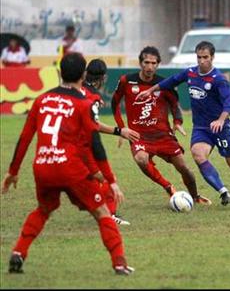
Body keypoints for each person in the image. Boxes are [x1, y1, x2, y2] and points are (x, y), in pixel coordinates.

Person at [1, 52, 134, 275]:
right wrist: (111, 180)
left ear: (60, 73)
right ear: (83, 75)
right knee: (102, 212)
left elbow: (25, 137)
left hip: (43, 167)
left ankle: (18, 252)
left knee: (43, 210)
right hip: (71, 169)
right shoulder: (82, 103)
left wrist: (12, 172)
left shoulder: (41, 100)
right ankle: (119, 263)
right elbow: (94, 143)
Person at [137, 41, 230, 206]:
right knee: (198, 154)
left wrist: (220, 120)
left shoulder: (219, 80)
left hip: (221, 128)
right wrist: (149, 91)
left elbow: (229, 104)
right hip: (201, 128)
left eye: (205, 57)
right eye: (199, 57)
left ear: (212, 57)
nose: (202, 61)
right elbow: (171, 81)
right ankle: (223, 192)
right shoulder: (190, 73)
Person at [111, 46, 212, 205]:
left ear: (158, 64)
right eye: (146, 62)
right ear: (140, 63)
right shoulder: (126, 81)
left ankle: (195, 196)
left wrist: (177, 122)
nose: (150, 66)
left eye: (154, 63)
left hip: (163, 135)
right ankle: (167, 186)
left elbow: (174, 104)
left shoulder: (163, 84)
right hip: (139, 136)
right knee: (141, 160)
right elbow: (114, 103)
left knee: (184, 168)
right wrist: (122, 127)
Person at [82, 58, 141, 225]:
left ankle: (97, 207)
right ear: (103, 79)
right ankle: (110, 215)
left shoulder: (77, 89)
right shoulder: (93, 97)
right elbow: (93, 125)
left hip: (61, 143)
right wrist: (119, 131)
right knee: (106, 177)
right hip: (81, 146)